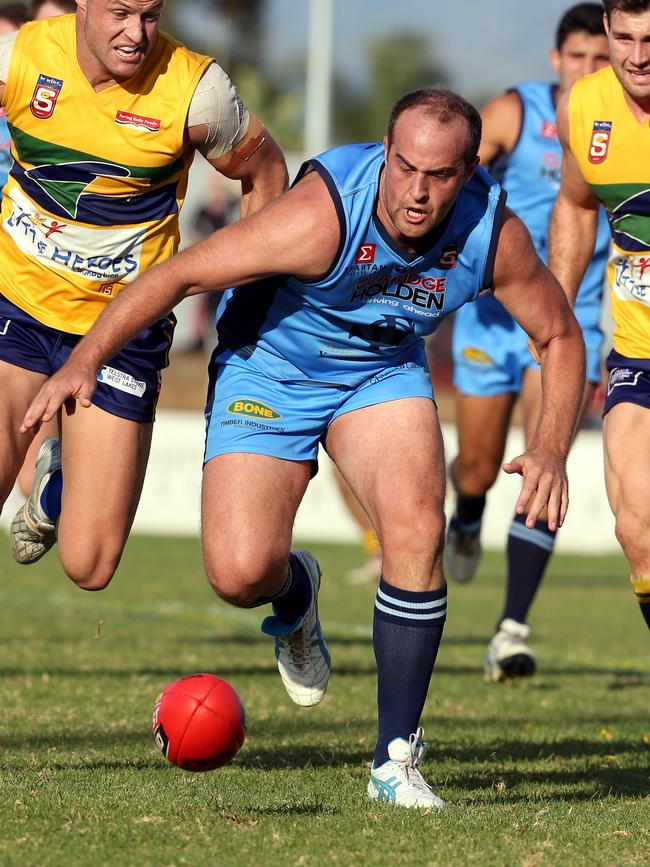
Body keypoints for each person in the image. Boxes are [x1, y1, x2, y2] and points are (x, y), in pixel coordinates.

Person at [20, 89, 586, 809]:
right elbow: (179, 274)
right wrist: (83, 362)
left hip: (380, 371)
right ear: (385, 152)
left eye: (440, 175)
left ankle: (395, 760)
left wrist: (550, 446)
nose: (417, 191)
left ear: (470, 170)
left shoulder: (492, 232)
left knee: (416, 525)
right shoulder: (325, 214)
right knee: (238, 571)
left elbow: (559, 335)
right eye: (405, 166)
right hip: (271, 367)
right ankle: (297, 592)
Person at [0, 0, 287, 586]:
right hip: (17, 303)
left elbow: (266, 174)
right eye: (121, 13)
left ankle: (55, 490)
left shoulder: (196, 91)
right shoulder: (19, 56)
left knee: (90, 565)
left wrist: (248, 298)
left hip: (123, 330)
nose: (136, 34)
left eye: (150, 15)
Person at [445, 3, 611, 681]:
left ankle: (511, 627)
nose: (591, 71)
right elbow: (453, 170)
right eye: (580, 58)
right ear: (556, 60)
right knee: (480, 467)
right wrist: (467, 251)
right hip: (493, 318)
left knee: (546, 458)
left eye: (601, 60)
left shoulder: (627, 120)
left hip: (577, 317)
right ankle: (468, 512)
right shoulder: (516, 111)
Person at [549, 0, 650, 639]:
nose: (640, 57)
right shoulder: (584, 108)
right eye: (627, 38)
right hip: (637, 353)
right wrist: (556, 316)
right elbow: (578, 203)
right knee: (637, 525)